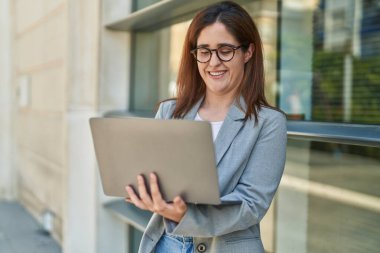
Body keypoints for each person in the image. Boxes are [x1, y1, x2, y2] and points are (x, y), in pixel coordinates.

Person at [125, 1, 287, 253]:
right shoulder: (170, 112)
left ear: (248, 52)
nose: (213, 62)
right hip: (168, 243)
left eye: (225, 50)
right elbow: (154, 174)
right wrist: (146, 191)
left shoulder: (268, 123)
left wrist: (186, 214)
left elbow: (251, 205)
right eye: (204, 51)